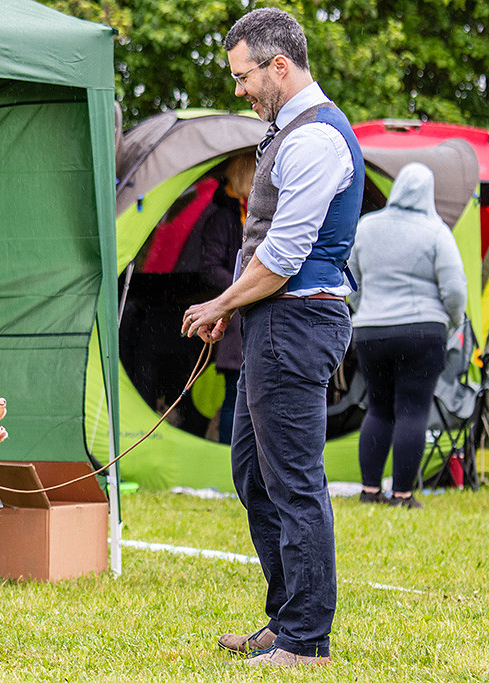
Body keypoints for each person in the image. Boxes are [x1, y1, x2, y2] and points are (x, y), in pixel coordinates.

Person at [181, 8, 364, 667]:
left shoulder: (315, 139)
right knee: (254, 472)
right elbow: (267, 246)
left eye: (243, 76)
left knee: (292, 478)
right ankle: (287, 619)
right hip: (273, 320)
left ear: (278, 65)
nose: (239, 90)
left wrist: (220, 302)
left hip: (297, 320)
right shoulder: (290, 132)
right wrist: (236, 307)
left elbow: (284, 254)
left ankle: (307, 641)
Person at [348, 163, 466, 509]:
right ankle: (402, 494)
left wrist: (364, 308)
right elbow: (455, 288)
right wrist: (452, 321)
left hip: (371, 331)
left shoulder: (367, 227)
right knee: (413, 410)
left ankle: (370, 491)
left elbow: (350, 280)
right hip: (422, 331)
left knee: (378, 407)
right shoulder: (435, 230)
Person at [197, 153, 256, 443]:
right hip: (234, 321)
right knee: (236, 397)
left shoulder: (258, 212)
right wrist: (242, 289)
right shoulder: (224, 216)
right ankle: (227, 458)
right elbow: (209, 267)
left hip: (258, 315)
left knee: (257, 399)